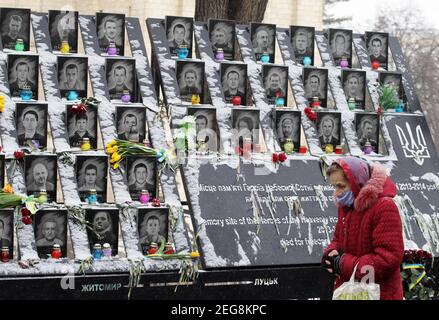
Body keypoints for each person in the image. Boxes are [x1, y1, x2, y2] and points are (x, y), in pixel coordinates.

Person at [321, 156, 404, 300]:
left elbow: (387, 259)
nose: (337, 193)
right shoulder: (347, 207)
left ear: (356, 182)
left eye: (341, 186)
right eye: (334, 187)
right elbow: (337, 240)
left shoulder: (384, 207)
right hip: (351, 291)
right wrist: (331, 254)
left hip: (379, 293)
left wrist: (344, 264)